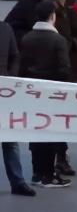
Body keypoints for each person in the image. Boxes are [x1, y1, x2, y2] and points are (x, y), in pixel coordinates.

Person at [5, 0, 77, 176]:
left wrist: (73, 42)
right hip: (39, 74)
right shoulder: (26, 5)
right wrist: (32, 41)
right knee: (41, 122)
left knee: (60, 121)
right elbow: (12, 30)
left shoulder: (65, 4)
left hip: (60, 68)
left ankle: (60, 158)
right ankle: (43, 168)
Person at [20, 1, 72, 188]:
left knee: (36, 131)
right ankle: (48, 175)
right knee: (51, 132)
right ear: (52, 16)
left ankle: (36, 173)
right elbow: (64, 69)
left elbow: (22, 67)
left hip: (32, 92)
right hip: (52, 94)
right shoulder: (58, 40)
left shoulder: (27, 38)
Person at [0, 21, 36, 196]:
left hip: (5, 93)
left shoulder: (5, 28)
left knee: (10, 140)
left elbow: (15, 55)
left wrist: (10, 78)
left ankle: (18, 182)